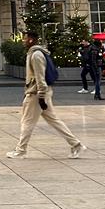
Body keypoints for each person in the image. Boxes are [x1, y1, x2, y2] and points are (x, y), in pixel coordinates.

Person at [7, 30, 84, 159]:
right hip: (40, 93)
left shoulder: (36, 55)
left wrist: (41, 96)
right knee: (54, 120)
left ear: (31, 40)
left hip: (37, 94)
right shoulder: (35, 53)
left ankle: (20, 151)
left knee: (27, 122)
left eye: (24, 39)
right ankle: (76, 144)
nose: (23, 41)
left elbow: (40, 77)